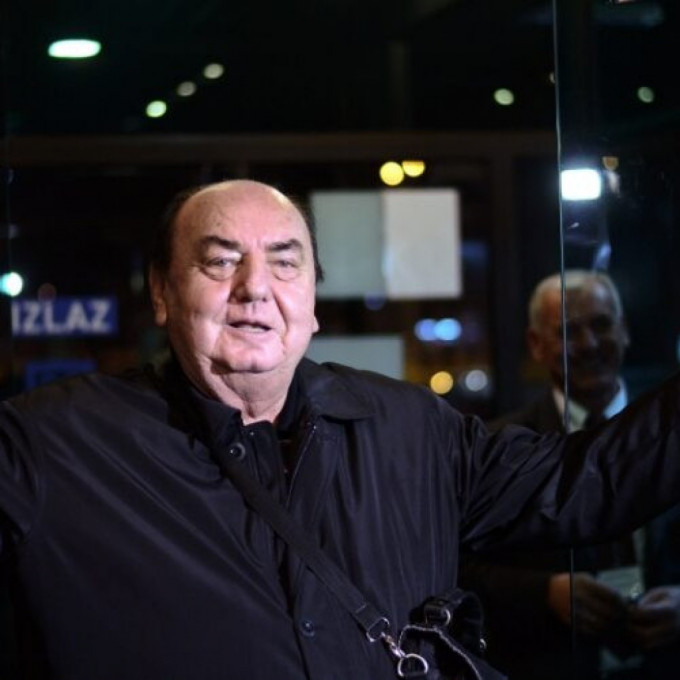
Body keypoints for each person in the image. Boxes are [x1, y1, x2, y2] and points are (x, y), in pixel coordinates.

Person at [2, 180, 680, 680]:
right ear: (161, 291)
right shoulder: (56, 445)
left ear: (312, 299)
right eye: (221, 260)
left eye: (285, 261)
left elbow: (590, 481)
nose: (255, 287)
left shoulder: (411, 428)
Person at [460, 270, 680, 680]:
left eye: (601, 324)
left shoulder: (670, 432)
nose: (589, 343)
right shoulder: (501, 447)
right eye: (569, 331)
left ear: (625, 330)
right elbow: (460, 568)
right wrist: (544, 592)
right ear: (536, 344)